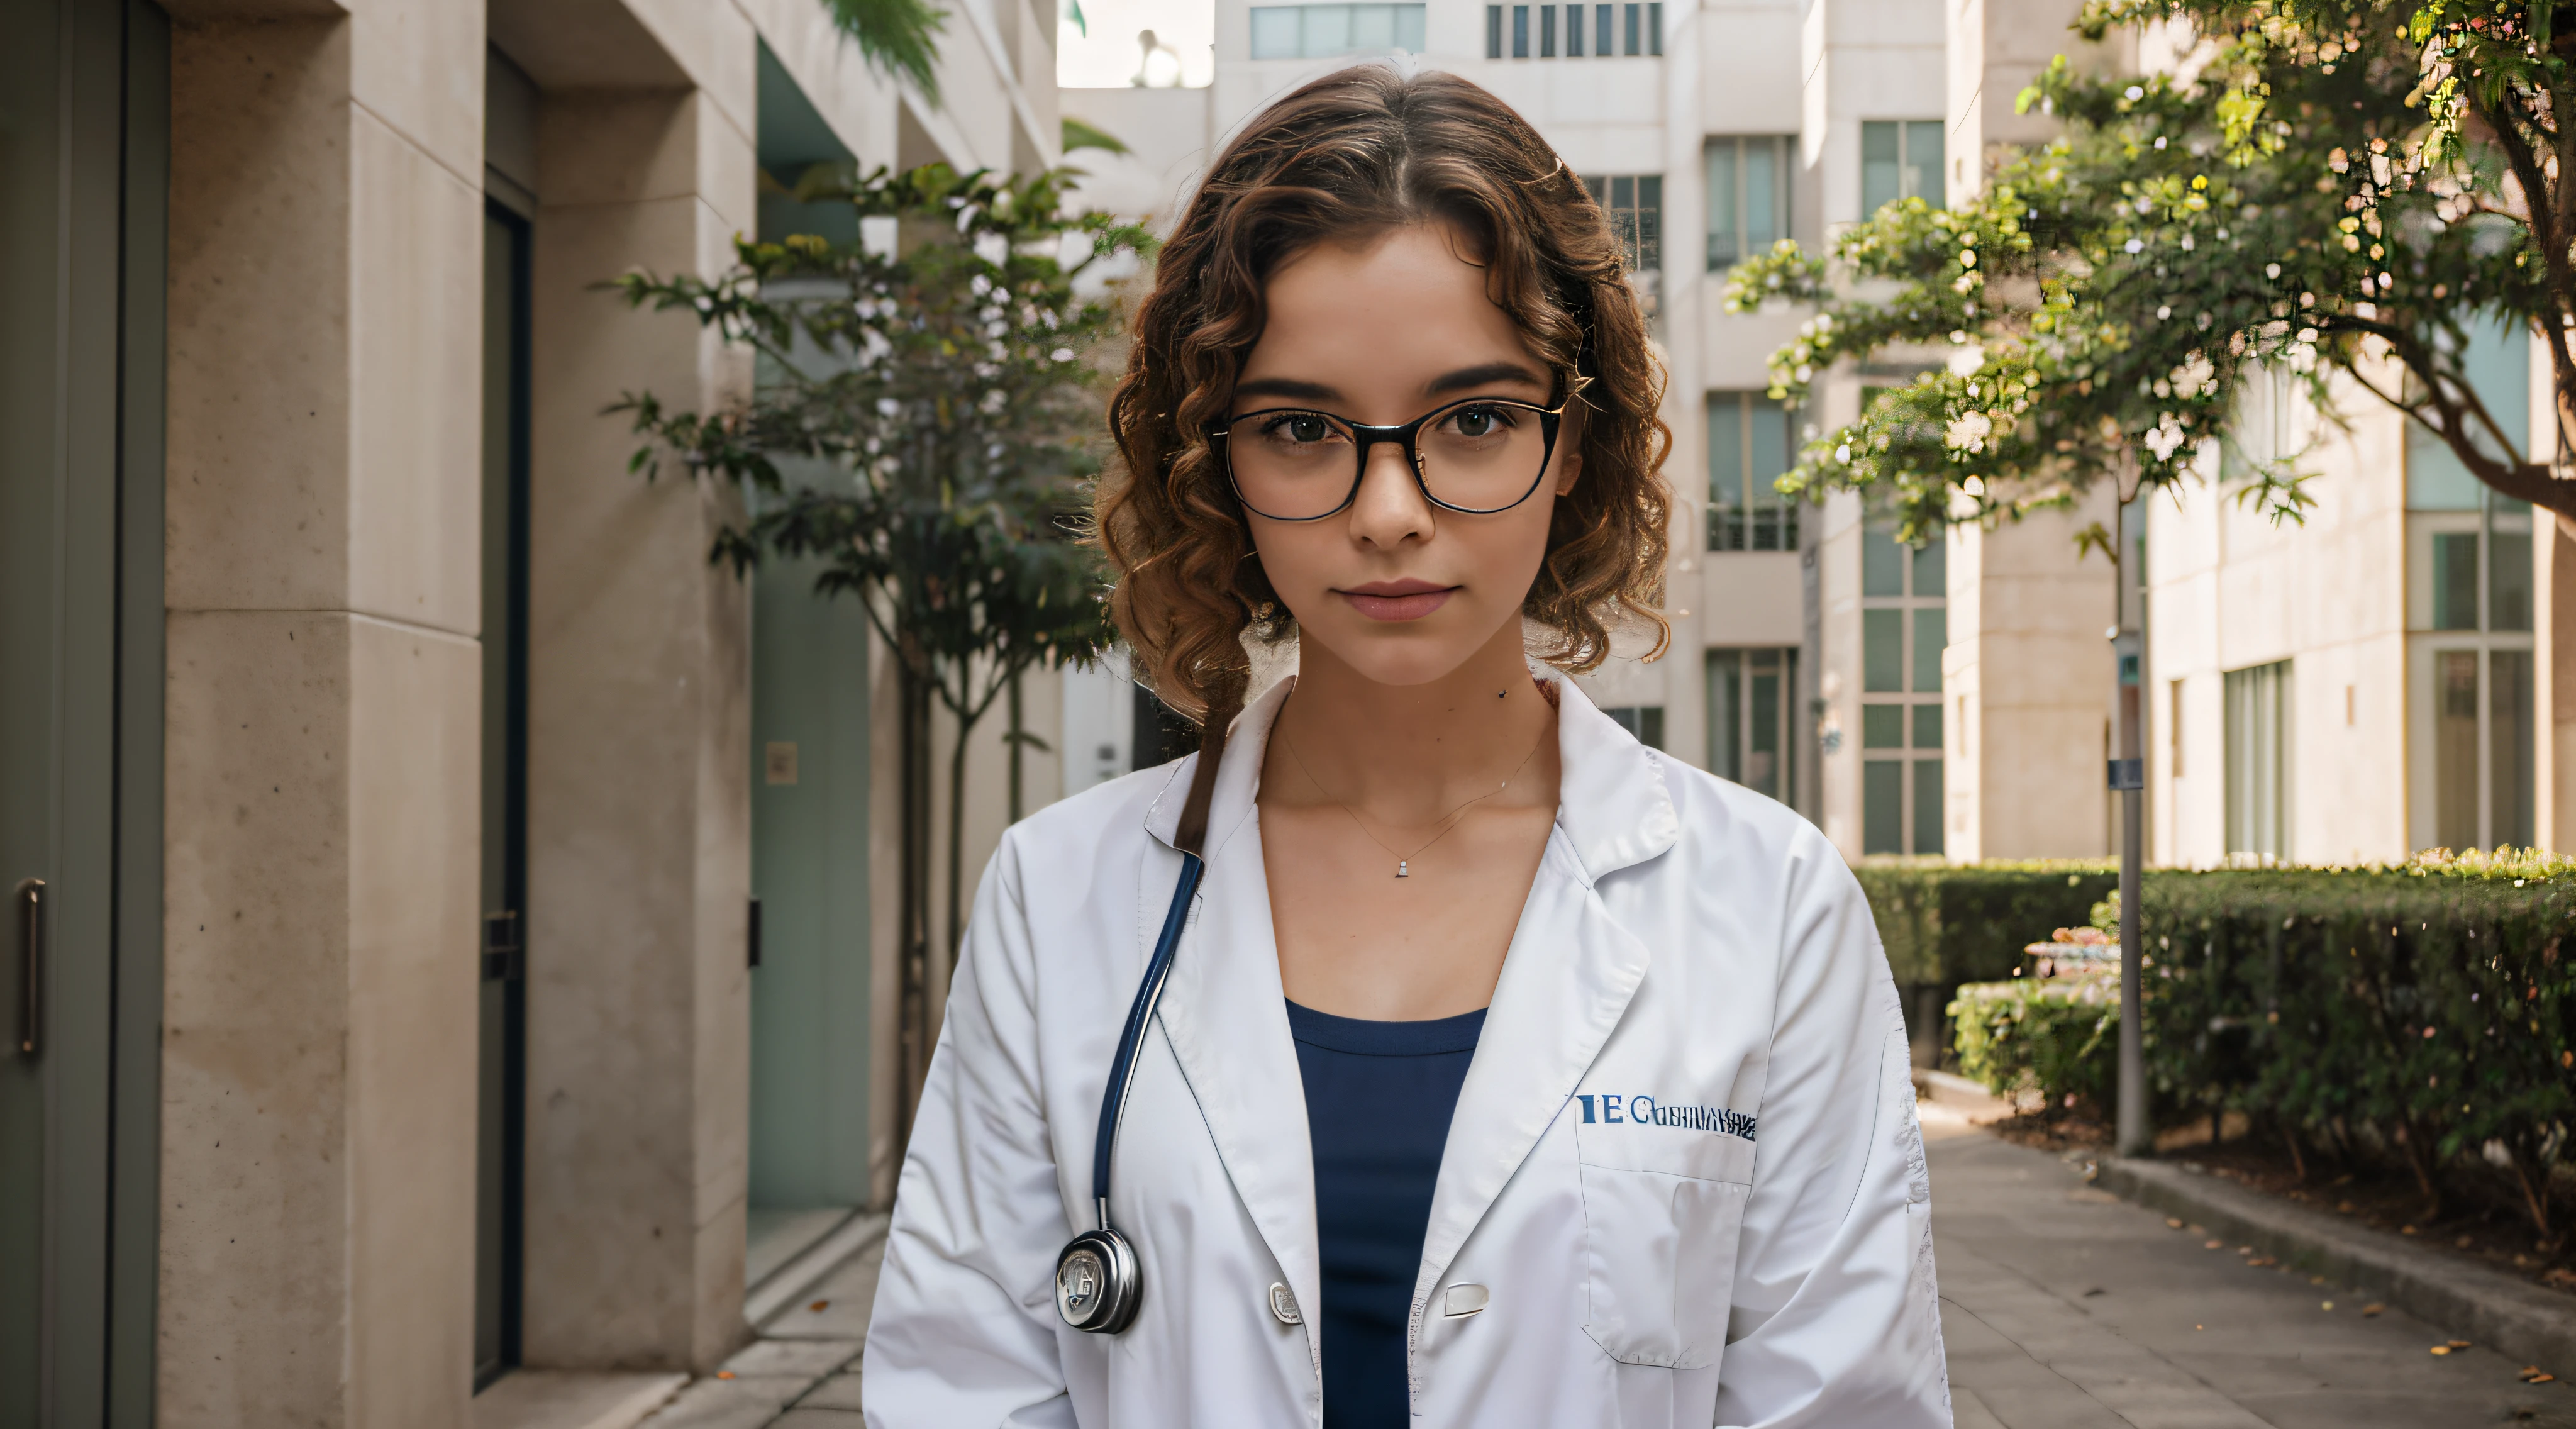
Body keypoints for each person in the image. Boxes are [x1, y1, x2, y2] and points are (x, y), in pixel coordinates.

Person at [862, 64, 1952, 1429]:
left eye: (1476, 419)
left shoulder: (1769, 906)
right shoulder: (1058, 894)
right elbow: (961, 1391)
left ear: (1573, 444)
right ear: (1214, 457)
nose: (1387, 509)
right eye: (1304, 428)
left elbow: (1843, 1405)